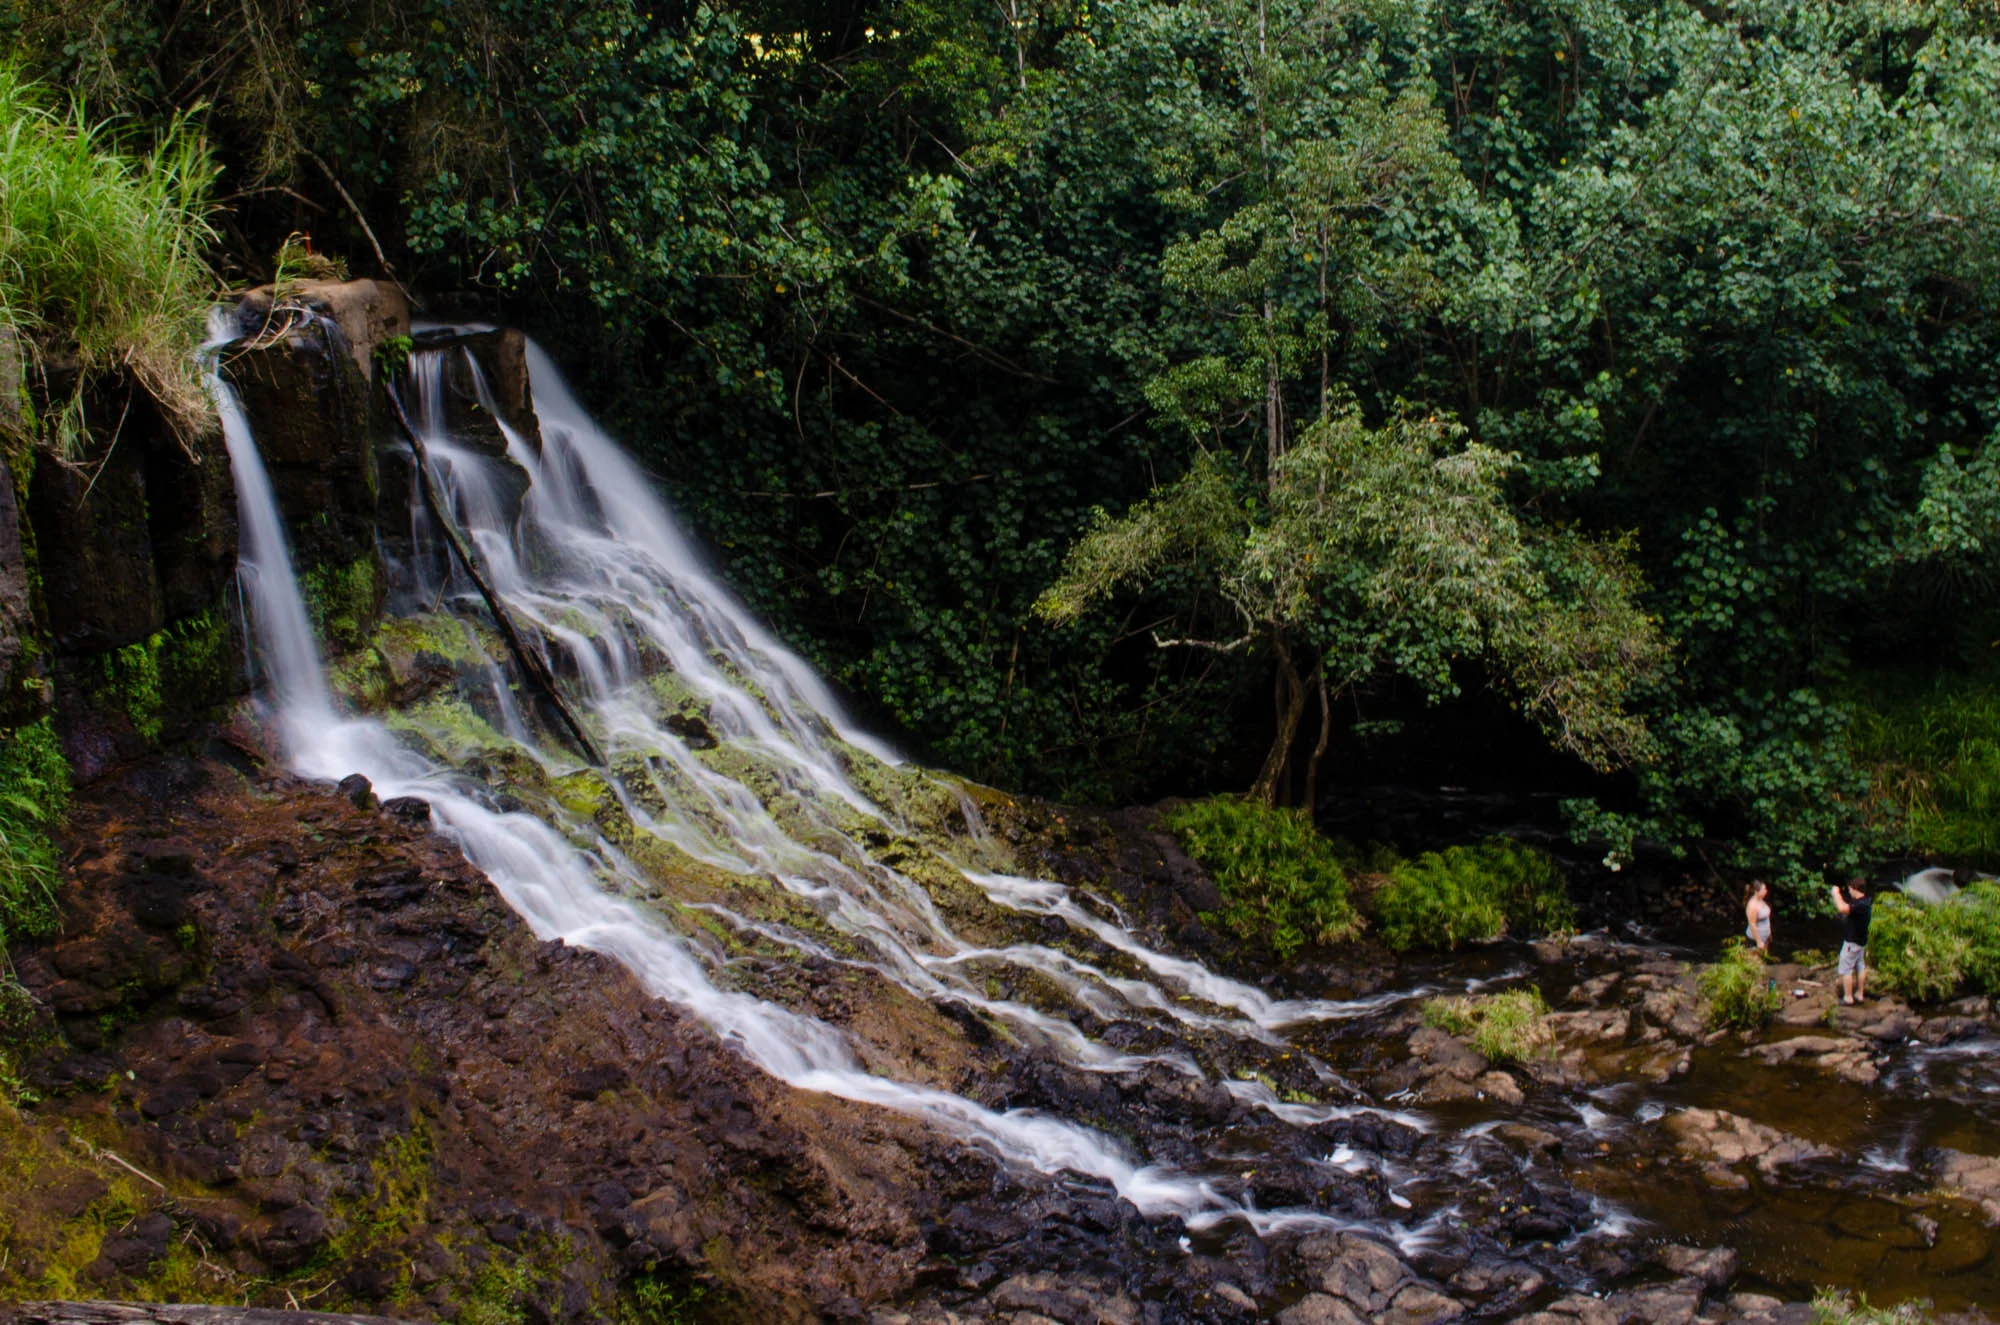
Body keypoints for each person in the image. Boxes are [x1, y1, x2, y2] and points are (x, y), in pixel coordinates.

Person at [1831, 877, 1872, 1005]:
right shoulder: (1866, 901)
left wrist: (1835, 894)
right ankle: (1860, 994)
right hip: (1861, 942)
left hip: (1852, 942)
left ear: (1855, 889)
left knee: (1846, 969)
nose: (1849, 892)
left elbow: (1842, 908)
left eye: (1850, 889)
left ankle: (1848, 998)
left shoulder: (1859, 905)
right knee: (1860, 966)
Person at [1743, 879, 1772, 955]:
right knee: (1754, 962)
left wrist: (1769, 933)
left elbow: (1766, 918)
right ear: (1756, 891)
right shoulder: (1752, 905)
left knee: (1763, 959)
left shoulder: (1761, 900)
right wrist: (1759, 942)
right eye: (1763, 889)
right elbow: (1752, 924)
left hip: (1765, 937)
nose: (1766, 891)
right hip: (1754, 939)